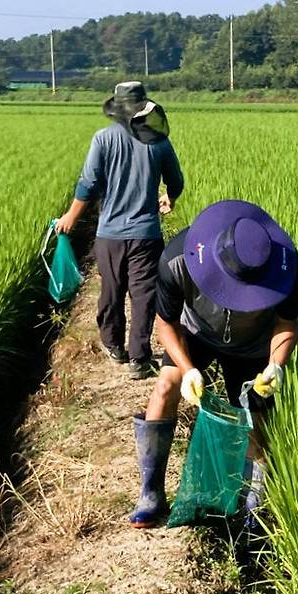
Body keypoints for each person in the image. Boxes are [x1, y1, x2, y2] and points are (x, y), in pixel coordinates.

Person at [128, 199, 298, 529]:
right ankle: (150, 491)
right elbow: (166, 325)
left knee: (258, 413)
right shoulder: (178, 258)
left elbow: (287, 323)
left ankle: (255, 501)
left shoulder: (286, 265)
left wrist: (276, 365)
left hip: (252, 343)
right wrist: (189, 368)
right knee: (165, 385)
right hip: (196, 332)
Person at [56, 81, 184, 379]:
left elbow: (88, 183)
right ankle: (140, 358)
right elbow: (175, 180)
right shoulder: (159, 142)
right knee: (144, 295)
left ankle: (113, 345)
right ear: (142, 108)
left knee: (111, 291)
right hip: (146, 234)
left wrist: (71, 217)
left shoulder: (103, 139)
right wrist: (170, 199)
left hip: (110, 234)